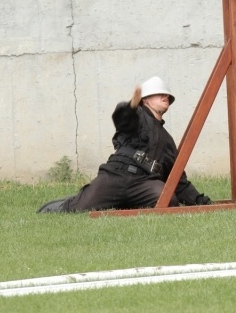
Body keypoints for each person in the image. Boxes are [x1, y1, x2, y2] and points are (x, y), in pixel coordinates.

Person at [38, 76, 212, 213]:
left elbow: (178, 181)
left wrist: (202, 202)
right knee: (78, 208)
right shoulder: (136, 115)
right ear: (145, 100)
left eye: (167, 95)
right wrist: (130, 106)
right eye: (159, 94)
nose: (165, 96)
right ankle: (70, 201)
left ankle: (125, 202)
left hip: (143, 183)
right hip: (114, 177)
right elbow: (122, 119)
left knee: (168, 199)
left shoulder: (168, 141)